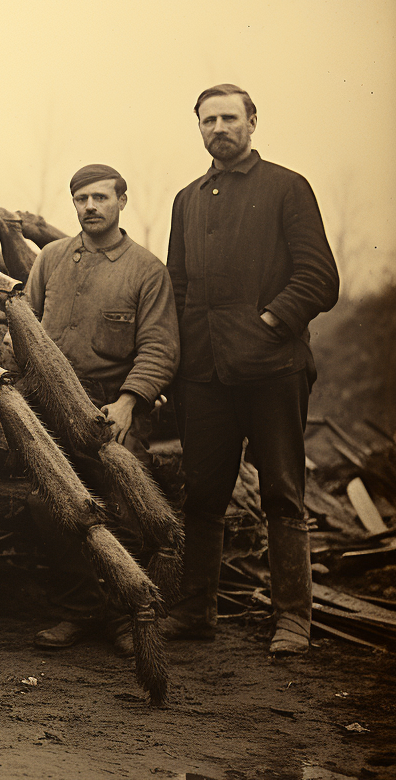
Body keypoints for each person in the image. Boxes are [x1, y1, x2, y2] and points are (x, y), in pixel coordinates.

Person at [165, 84, 339, 655]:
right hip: (205, 375)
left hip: (273, 369)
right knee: (202, 493)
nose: (219, 128)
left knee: (283, 493)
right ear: (198, 127)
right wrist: (186, 356)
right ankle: (195, 613)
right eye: (208, 119)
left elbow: (318, 278)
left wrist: (267, 323)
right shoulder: (187, 199)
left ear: (253, 122)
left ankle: (293, 619)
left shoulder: (287, 187)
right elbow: (180, 287)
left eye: (230, 118)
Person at [25, 164, 180, 656]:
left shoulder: (146, 270)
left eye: (100, 198)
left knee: (126, 503)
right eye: (80, 199)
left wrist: (129, 403)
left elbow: (160, 347)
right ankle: (78, 611)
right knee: (45, 504)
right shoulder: (51, 259)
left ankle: (123, 617)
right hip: (49, 403)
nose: (89, 207)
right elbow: (25, 327)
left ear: (121, 202)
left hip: (112, 405)